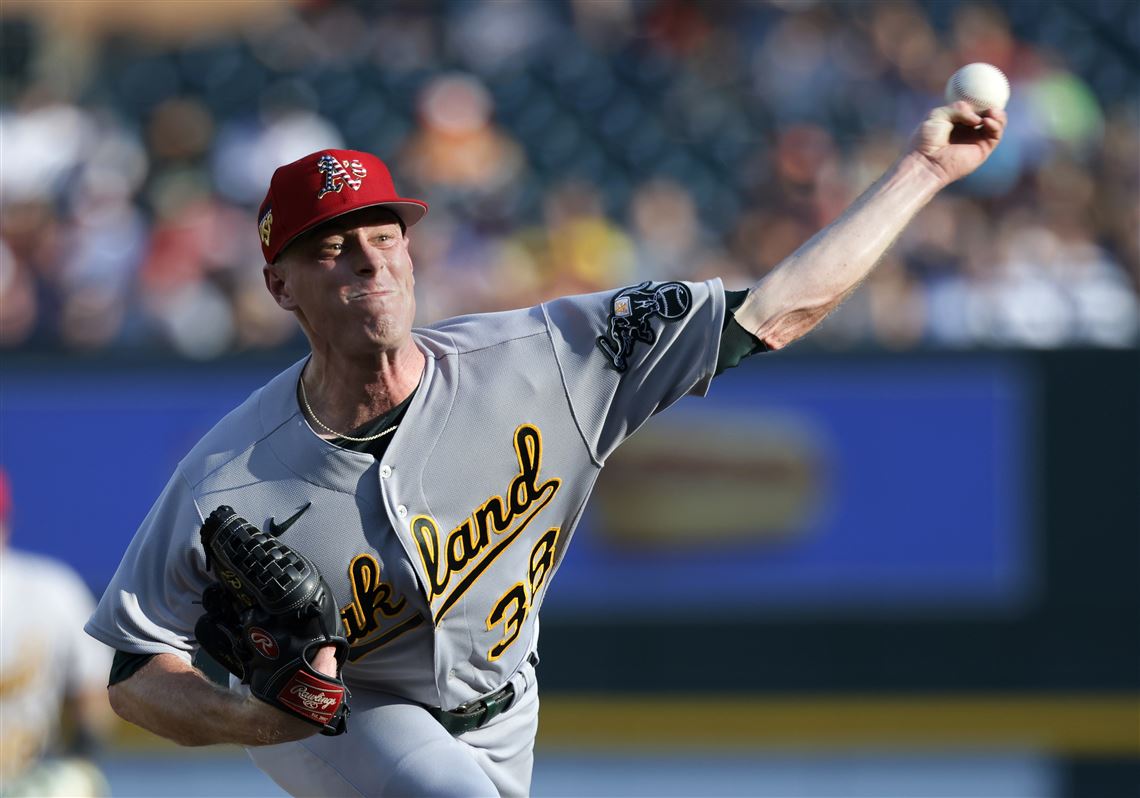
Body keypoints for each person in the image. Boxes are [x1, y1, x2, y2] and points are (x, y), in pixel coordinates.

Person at [86, 102, 1005, 796]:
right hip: (341, 724)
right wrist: (254, 714)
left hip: (508, 706)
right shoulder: (227, 477)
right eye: (331, 248)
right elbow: (133, 674)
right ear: (279, 285)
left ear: (411, 253)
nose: (368, 260)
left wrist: (923, 169)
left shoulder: (550, 359)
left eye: (383, 235)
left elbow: (775, 309)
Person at [0, 468, 115, 797]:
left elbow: (93, 691)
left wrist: (79, 761)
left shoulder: (51, 590)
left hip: (30, 777)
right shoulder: (51, 588)